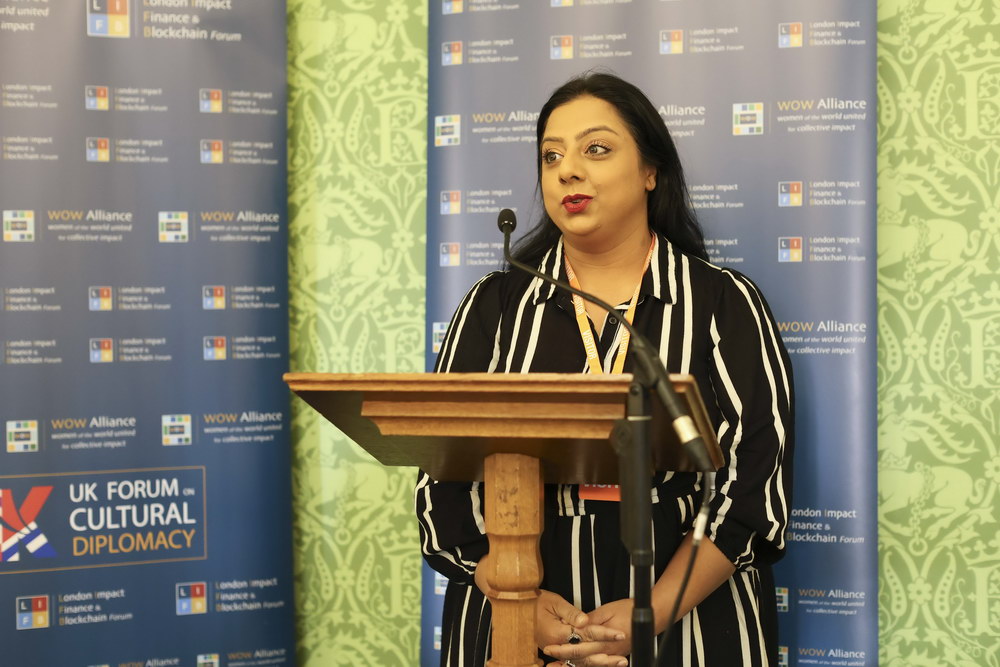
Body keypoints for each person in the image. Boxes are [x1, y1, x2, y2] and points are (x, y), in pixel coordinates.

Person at [416, 72, 794, 667]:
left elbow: (754, 489)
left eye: (595, 148)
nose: (567, 170)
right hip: (515, 608)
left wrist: (656, 608)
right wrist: (515, 594)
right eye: (551, 156)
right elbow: (442, 485)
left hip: (688, 615)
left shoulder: (723, 303)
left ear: (651, 171)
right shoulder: (494, 306)